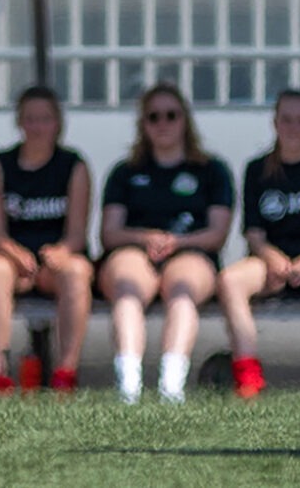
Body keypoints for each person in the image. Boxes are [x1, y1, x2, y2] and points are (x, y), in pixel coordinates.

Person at [98, 81, 233, 404]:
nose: (163, 124)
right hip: (134, 253)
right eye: (153, 116)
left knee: (182, 294)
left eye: (171, 115)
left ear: (185, 120)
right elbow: (109, 232)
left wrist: (178, 241)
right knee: (127, 292)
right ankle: (128, 388)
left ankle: (171, 388)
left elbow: (217, 233)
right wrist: (145, 238)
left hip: (191, 252)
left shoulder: (212, 170)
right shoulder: (124, 172)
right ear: (143, 124)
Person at [216, 89, 300, 397]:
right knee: (229, 280)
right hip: (270, 265)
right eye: (287, 120)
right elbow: (253, 233)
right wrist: (272, 257)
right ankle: (248, 375)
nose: (294, 127)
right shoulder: (257, 169)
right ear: (275, 123)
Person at [0, 85, 95, 394]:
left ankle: (65, 373)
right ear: (19, 122)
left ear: (57, 123)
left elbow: (77, 234)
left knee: (77, 271)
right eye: (30, 119)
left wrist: (62, 251)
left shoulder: (73, 165)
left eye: (44, 119)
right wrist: (16, 254)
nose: (37, 126)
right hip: (15, 259)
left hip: (55, 259)